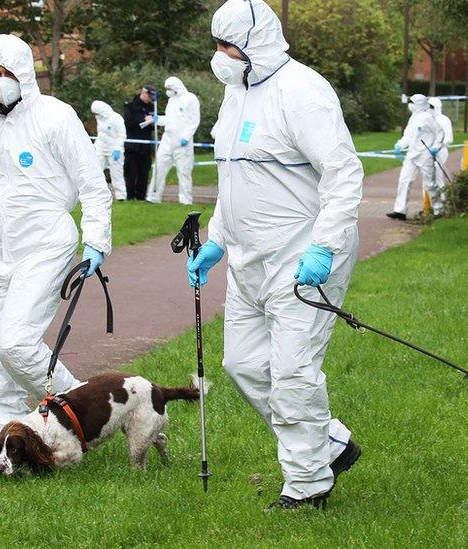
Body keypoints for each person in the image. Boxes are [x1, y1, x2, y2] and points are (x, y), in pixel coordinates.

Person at [187, 0, 362, 511]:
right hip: (249, 257)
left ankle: (308, 484)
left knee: (292, 371)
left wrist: (324, 246)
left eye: (230, 46)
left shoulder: (302, 92)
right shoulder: (234, 94)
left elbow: (343, 173)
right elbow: (235, 177)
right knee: (241, 364)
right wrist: (217, 238)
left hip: (302, 254)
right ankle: (328, 443)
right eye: (217, 46)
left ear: (258, 43)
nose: (221, 56)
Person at [0, 34, 112, 457]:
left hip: (47, 242)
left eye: (7, 73)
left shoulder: (55, 117)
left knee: (15, 341)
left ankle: (81, 408)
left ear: (24, 74)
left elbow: (91, 184)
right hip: (0, 250)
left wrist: (97, 239)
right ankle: (0, 438)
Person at [387, 94, 445, 220]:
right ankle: (400, 211)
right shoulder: (413, 118)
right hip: (412, 154)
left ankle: (439, 210)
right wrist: (399, 145)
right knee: (404, 181)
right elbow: (408, 136)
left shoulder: (428, 118)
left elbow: (440, 132)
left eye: (412, 102)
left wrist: (436, 147)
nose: (410, 105)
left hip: (425, 155)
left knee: (429, 183)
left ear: (419, 104)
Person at [147, 76, 201, 205]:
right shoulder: (171, 100)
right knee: (158, 168)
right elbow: (170, 119)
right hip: (167, 140)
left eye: (169, 88)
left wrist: (186, 137)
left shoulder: (190, 99)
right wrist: (158, 119)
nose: (167, 91)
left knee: (184, 172)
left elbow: (194, 120)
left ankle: (185, 200)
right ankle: (153, 197)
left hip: (183, 143)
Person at [123, 85, 157, 200]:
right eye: (149, 95)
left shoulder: (152, 107)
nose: (150, 98)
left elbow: (153, 128)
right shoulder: (131, 106)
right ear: (144, 93)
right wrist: (142, 121)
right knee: (131, 172)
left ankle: (141, 197)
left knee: (144, 172)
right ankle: (130, 196)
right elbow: (128, 124)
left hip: (146, 145)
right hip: (132, 145)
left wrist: (153, 122)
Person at [91, 100, 127, 200]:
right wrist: (96, 147)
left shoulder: (116, 118)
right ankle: (95, 194)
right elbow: (101, 135)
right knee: (96, 171)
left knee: (116, 174)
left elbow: (122, 135)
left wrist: (117, 149)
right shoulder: (100, 118)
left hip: (115, 150)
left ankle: (121, 196)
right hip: (101, 149)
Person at [428, 96, 453, 216]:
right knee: (429, 179)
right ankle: (434, 205)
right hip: (428, 152)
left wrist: (437, 147)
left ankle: (443, 203)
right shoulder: (428, 119)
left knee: (438, 176)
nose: (429, 109)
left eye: (431, 107)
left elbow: (449, 138)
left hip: (440, 152)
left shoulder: (443, 120)